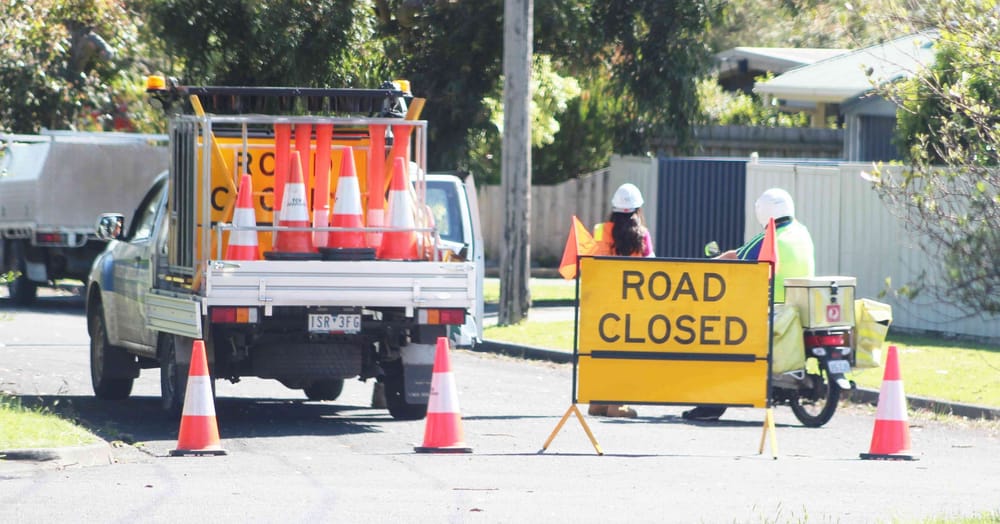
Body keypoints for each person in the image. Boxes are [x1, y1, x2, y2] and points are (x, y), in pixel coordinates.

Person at [682, 187, 816, 422]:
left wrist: (708, 264)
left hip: (771, 308)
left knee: (718, 335)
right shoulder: (802, 233)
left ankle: (711, 405)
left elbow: (737, 257)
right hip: (801, 308)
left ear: (763, 212)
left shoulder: (770, 238)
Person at [588, 183, 654, 419]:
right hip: (630, 303)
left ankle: (598, 402)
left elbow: (591, 262)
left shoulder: (599, 231)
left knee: (604, 351)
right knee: (624, 353)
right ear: (638, 209)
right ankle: (617, 404)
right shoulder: (642, 235)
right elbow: (654, 267)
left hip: (601, 301)